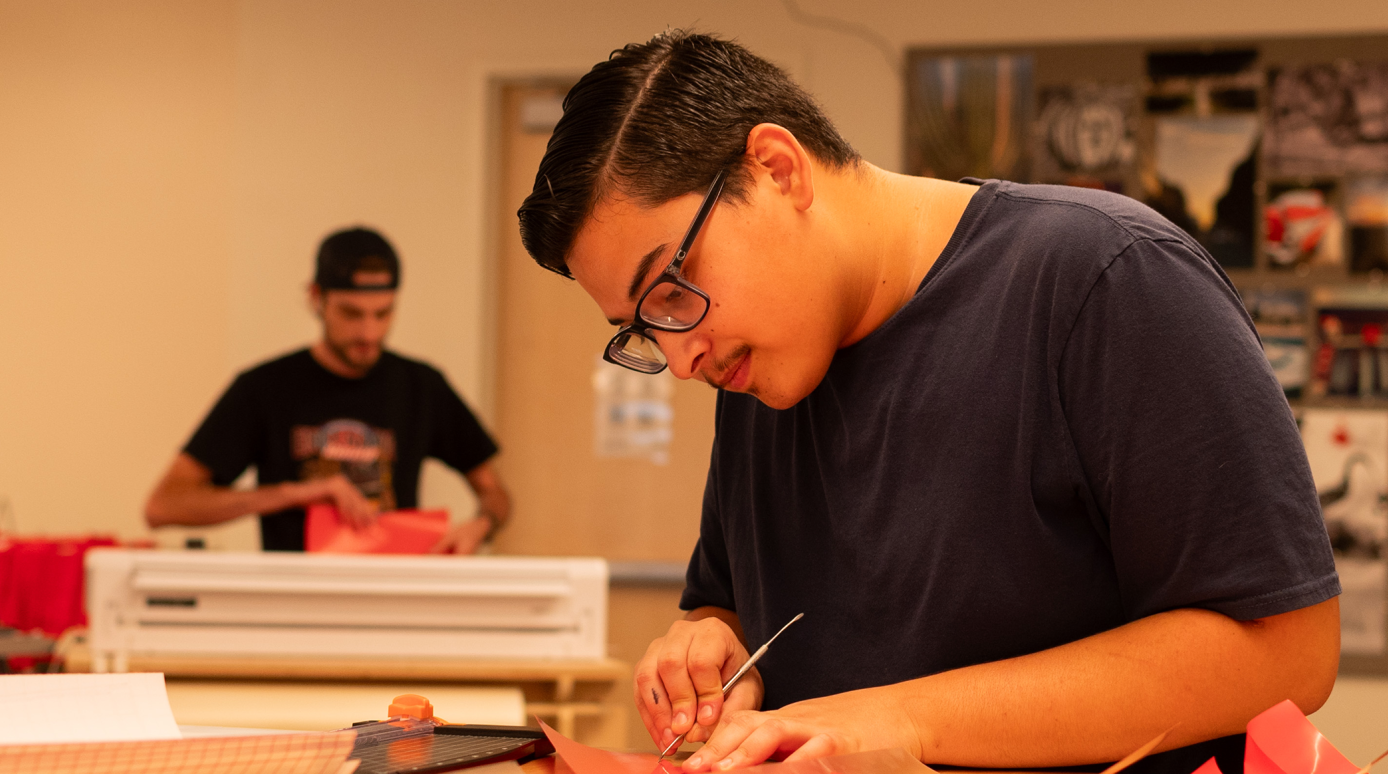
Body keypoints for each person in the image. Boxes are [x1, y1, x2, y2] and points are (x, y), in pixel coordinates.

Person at [516, 31, 1340, 774]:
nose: (682, 354)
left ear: (776, 169)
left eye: (671, 291)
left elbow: (1286, 651)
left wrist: (894, 718)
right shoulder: (755, 363)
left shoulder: (1103, 279)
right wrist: (711, 642)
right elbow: (730, 595)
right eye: (643, 330)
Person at [145, 227, 510, 553]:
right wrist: (292, 494)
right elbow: (164, 506)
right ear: (316, 297)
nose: (369, 333)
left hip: (393, 601)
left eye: (383, 314)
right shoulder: (264, 387)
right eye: (352, 314)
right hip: (295, 606)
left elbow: (495, 492)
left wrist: (482, 524)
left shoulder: (422, 386)